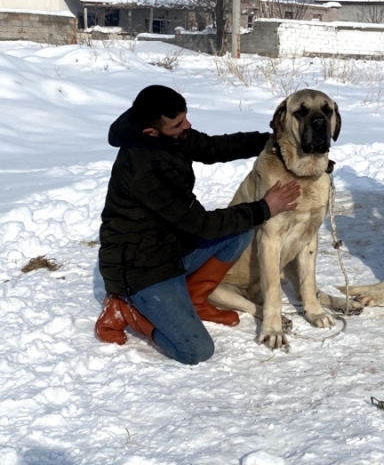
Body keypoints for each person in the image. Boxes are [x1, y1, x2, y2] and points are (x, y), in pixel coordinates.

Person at [94, 85, 301, 364]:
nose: (187, 125)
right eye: (179, 123)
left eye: (185, 117)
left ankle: (196, 297)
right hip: (141, 269)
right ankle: (126, 308)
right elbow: (201, 225)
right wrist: (265, 207)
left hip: (170, 247)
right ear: (150, 131)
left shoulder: (170, 136)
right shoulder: (143, 169)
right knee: (195, 351)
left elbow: (213, 147)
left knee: (238, 233)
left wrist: (271, 142)